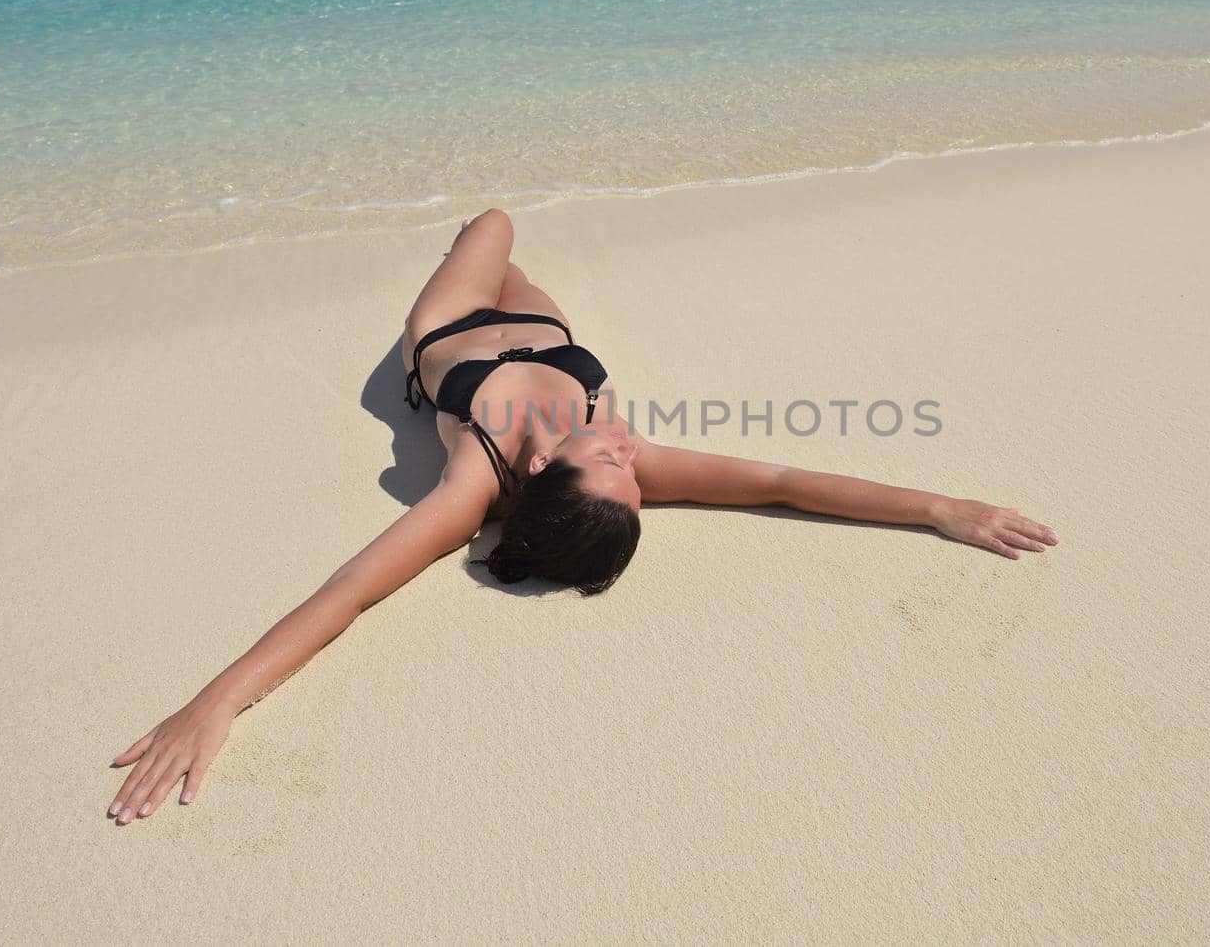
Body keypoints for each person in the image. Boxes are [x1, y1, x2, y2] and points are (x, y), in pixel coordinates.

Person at [105, 208, 1058, 825]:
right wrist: (943, 505)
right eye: (629, 471)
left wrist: (213, 704)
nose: (632, 455)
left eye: (615, 465)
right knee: (509, 229)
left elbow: (346, 594)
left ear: (547, 474)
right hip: (555, 338)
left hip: (453, 328)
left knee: (491, 225)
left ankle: (442, 297)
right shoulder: (613, 465)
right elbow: (782, 477)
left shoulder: (468, 486)